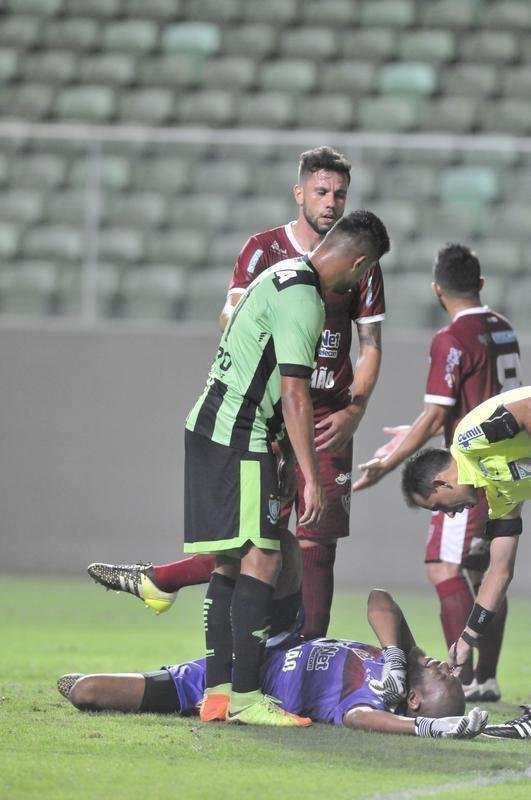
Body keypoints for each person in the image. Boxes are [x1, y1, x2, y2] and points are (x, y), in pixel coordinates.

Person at [87, 146, 386, 639]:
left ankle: (303, 652)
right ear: (300, 193)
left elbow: (371, 343)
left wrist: (356, 408)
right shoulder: (264, 250)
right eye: (321, 191)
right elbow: (230, 317)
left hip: (327, 414)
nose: (331, 202)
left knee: (317, 542)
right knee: (252, 538)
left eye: (339, 194)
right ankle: (230, 656)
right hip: (272, 412)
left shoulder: (361, 261)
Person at [184, 210, 390, 727]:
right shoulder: (305, 298)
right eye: (366, 274)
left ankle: (219, 694)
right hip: (241, 430)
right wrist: (311, 477)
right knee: (263, 561)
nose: (361, 282)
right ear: (361, 263)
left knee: (233, 560)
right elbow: (296, 393)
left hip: (216, 424)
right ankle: (249, 698)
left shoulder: (279, 274)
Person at [352, 243, 522, 701]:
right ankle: (481, 674)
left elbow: (437, 416)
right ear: (480, 284)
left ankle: (467, 681)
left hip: (477, 463)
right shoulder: (503, 328)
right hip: (500, 462)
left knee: (444, 565)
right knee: (483, 570)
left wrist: (388, 463)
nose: (443, 515)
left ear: (436, 290)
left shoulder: (451, 339)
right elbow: (494, 403)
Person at [56, 577, 487, 738]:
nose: (449, 668)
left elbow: (365, 721)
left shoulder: (373, 702)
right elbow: (380, 598)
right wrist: (397, 654)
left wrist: (426, 727)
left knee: (86, 691)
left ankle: (160, 581)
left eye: (446, 679)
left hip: (235, 678)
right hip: (276, 638)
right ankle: (165, 576)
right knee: (277, 547)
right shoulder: (403, 665)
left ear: (414, 700)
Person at [401, 385, 531, 679]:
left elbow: (526, 409)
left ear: (440, 483)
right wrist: (466, 640)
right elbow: (499, 572)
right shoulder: (497, 494)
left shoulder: (470, 438)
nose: (448, 515)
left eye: (438, 508)